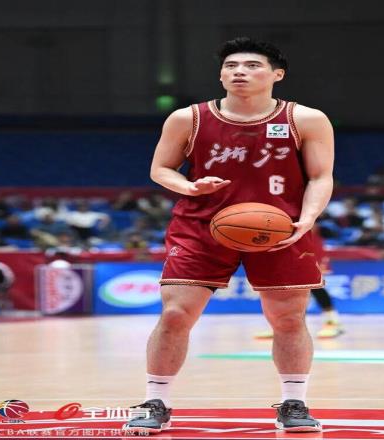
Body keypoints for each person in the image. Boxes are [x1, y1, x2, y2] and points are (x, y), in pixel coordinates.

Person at [123, 37, 334, 434]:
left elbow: (321, 176)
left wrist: (307, 218)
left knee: (289, 318)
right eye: (231, 66)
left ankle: (294, 403)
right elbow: (161, 169)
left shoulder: (306, 119)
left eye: (252, 65)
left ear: (277, 74)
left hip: (279, 228)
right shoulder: (187, 118)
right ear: (221, 75)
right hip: (201, 225)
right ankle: (156, 401)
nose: (239, 71)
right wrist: (189, 187)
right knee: (175, 314)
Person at [255, 224, 343, 339]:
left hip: (311, 250)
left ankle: (332, 320)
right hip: (291, 250)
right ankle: (283, 325)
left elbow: (315, 226)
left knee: (315, 287)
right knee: (289, 290)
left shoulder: (311, 224)